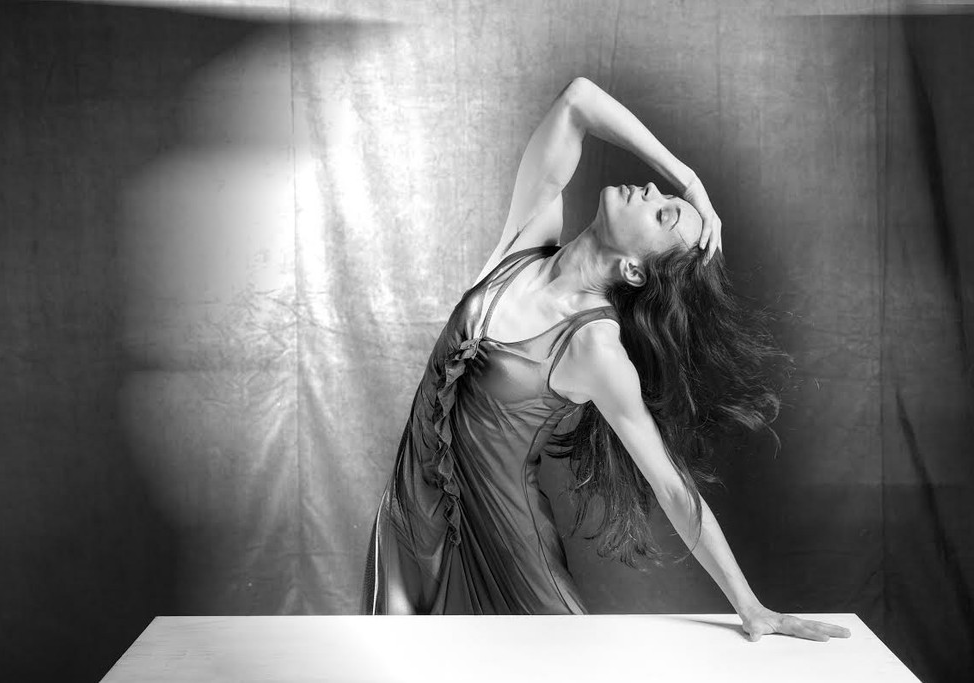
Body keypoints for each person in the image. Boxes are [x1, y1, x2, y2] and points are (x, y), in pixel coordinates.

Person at [362, 76, 851, 643]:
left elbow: (672, 487)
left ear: (635, 271)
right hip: (410, 527)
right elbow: (578, 100)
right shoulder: (527, 237)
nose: (653, 191)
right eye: (665, 198)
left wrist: (750, 605)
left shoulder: (594, 346)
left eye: (665, 214)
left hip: (512, 561)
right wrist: (691, 183)